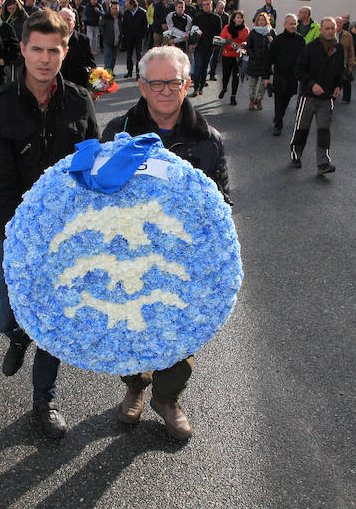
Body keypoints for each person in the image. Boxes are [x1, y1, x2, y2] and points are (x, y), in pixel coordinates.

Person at [0, 9, 99, 439]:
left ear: (65, 52)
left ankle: (44, 400)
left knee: (55, 319)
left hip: (66, 235)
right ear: (23, 50)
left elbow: (89, 168)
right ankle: (18, 335)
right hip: (14, 231)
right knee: (0, 316)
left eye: (53, 50)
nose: (45, 59)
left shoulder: (81, 101)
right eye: (37, 49)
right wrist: (24, 236)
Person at [100, 45, 230, 440]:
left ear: (187, 84)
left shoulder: (208, 139)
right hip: (129, 253)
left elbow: (221, 203)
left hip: (181, 259)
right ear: (141, 86)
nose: (165, 91)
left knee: (180, 334)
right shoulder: (118, 133)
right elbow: (98, 194)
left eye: (173, 82)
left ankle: (167, 398)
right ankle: (135, 385)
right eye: (155, 83)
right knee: (128, 325)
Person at [291, 17, 345, 174]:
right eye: (327, 28)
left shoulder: (338, 48)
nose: (330, 31)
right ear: (321, 30)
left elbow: (340, 70)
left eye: (332, 28)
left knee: (324, 131)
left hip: (327, 98)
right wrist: (312, 84)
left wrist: (338, 86)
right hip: (308, 97)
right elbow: (299, 69)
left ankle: (323, 163)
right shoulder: (311, 47)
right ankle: (296, 154)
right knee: (302, 129)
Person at [267, 13, 305, 136]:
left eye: (295, 24)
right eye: (291, 24)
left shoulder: (300, 40)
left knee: (287, 98)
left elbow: (304, 58)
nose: (293, 26)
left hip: (293, 76)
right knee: (279, 99)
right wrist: (266, 77)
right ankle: (278, 125)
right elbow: (269, 58)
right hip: (280, 75)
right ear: (285, 25)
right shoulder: (278, 40)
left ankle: (278, 116)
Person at [190, 0, 222, 97]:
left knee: (204, 68)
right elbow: (193, 31)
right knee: (198, 67)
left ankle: (201, 87)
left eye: (208, 4)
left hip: (209, 47)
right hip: (199, 47)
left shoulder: (217, 18)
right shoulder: (198, 17)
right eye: (204, 5)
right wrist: (192, 43)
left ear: (211, 6)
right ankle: (195, 88)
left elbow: (218, 34)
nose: (206, 6)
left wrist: (215, 46)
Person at [58, 7, 94, 89]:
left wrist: (94, 84)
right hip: (57, 87)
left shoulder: (83, 40)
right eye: (62, 19)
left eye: (68, 19)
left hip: (78, 87)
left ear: (74, 23)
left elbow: (90, 63)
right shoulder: (50, 39)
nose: (65, 22)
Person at [245, 11, 274, 110]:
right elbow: (248, 46)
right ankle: (251, 100)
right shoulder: (253, 32)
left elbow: (276, 47)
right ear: (257, 21)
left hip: (265, 62)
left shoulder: (270, 32)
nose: (261, 22)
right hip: (255, 61)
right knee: (253, 83)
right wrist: (253, 56)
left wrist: (271, 42)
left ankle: (259, 100)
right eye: (259, 20)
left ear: (266, 21)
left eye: (263, 20)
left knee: (263, 84)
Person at [218, 10, 248, 106]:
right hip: (227, 55)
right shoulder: (227, 28)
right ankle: (224, 88)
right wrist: (231, 44)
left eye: (241, 18)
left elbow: (249, 41)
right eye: (237, 17)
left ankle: (233, 96)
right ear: (234, 19)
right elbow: (220, 40)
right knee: (226, 75)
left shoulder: (245, 29)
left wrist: (244, 44)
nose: (239, 19)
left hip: (239, 56)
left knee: (236, 76)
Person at [2, 0, 28, 83]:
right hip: (7, 48)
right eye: (9, 9)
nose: (11, 11)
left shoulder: (23, 16)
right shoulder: (4, 16)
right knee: (8, 73)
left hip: (20, 47)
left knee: (19, 72)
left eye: (13, 8)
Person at [121, 0, 147, 79]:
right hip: (129, 37)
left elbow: (145, 26)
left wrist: (142, 35)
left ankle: (138, 73)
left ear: (132, 5)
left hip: (139, 38)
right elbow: (124, 25)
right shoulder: (127, 13)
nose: (126, 7)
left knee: (139, 56)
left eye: (127, 5)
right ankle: (129, 71)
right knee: (129, 55)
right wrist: (125, 35)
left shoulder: (142, 12)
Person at [336, 15, 356, 103]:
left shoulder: (347, 35)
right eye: (336, 22)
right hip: (332, 60)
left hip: (343, 61)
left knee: (346, 80)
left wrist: (351, 65)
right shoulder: (330, 33)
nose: (338, 24)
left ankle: (346, 98)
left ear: (342, 24)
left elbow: (351, 51)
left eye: (340, 22)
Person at [99, 2, 122, 71]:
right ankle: (107, 72)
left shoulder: (121, 17)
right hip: (108, 40)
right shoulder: (106, 17)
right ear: (110, 9)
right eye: (113, 8)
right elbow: (101, 27)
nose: (115, 10)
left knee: (113, 57)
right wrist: (105, 36)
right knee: (108, 56)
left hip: (117, 40)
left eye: (116, 8)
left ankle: (111, 71)